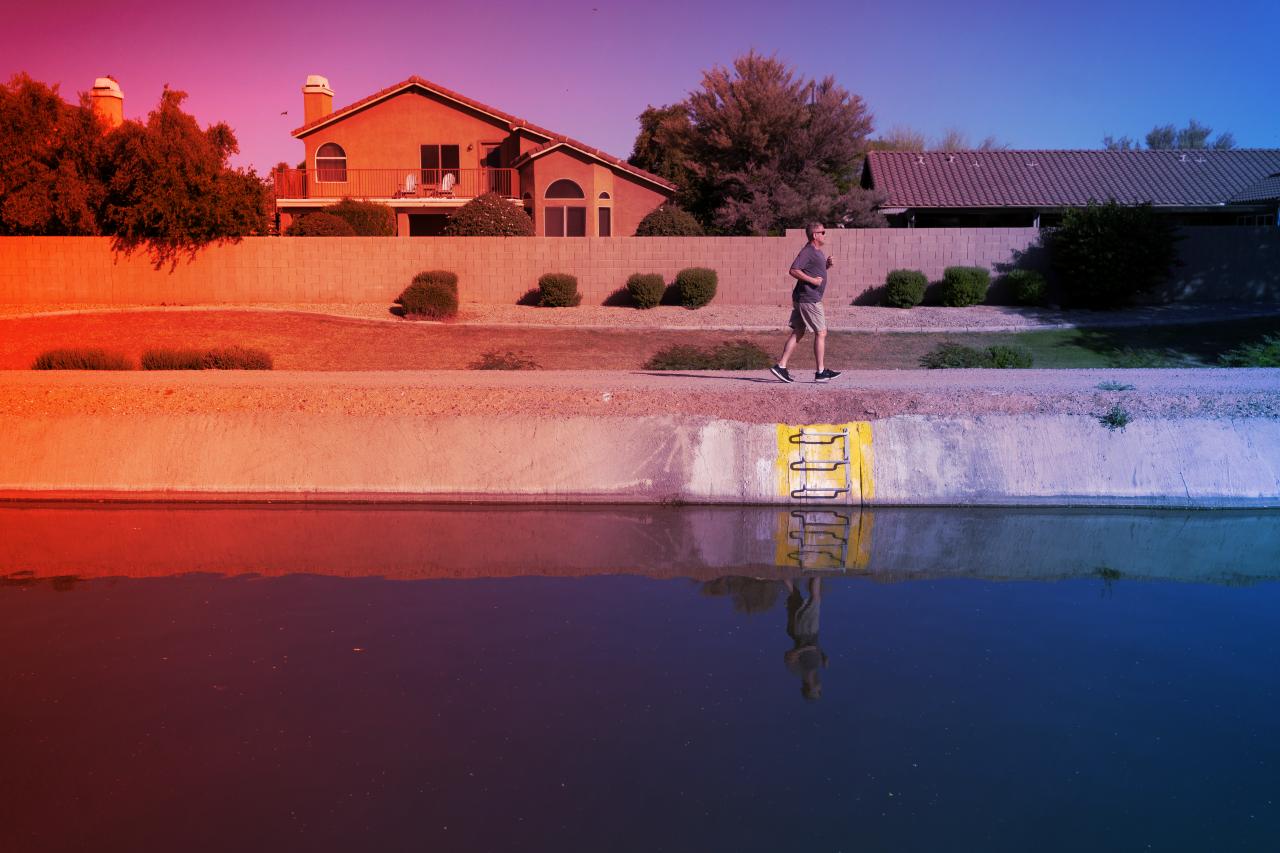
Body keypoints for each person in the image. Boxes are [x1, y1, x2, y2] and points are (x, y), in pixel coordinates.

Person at [769, 223, 841, 384]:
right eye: (823, 232)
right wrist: (813, 281)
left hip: (804, 298)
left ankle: (781, 366)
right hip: (809, 299)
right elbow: (794, 270)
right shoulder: (808, 251)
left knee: (799, 331)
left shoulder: (817, 252)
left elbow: (813, 271)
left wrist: (826, 265)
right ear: (815, 235)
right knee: (821, 333)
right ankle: (820, 372)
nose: (825, 234)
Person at [782, 577, 829, 700]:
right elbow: (814, 650)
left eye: (818, 690)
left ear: (811, 688)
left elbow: (789, 656)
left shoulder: (799, 671)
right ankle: (781, 572)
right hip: (805, 632)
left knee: (815, 599)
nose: (820, 686)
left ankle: (817, 573)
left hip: (806, 631)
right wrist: (823, 656)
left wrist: (808, 648)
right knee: (795, 596)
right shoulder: (812, 670)